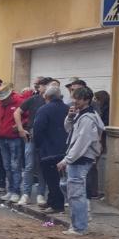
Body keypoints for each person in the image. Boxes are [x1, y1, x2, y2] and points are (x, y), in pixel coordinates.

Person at [57, 87, 104, 236]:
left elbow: (82, 141)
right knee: (71, 190)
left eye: (77, 98)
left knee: (76, 193)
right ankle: (78, 223)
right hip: (78, 158)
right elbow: (69, 131)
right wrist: (69, 117)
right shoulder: (81, 115)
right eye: (74, 98)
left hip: (81, 158)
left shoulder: (88, 118)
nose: (74, 101)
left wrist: (67, 159)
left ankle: (79, 226)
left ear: (86, 100)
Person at [32, 85, 69, 213]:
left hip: (48, 149)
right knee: (59, 178)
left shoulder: (44, 109)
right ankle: (52, 200)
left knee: (51, 179)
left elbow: (38, 129)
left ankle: (57, 204)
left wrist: (39, 145)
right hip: (64, 148)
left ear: (46, 97)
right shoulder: (67, 108)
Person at [14, 78, 49, 206]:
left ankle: (41, 194)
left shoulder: (52, 101)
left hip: (46, 138)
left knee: (42, 166)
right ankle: (26, 194)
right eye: (44, 86)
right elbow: (17, 112)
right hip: (31, 135)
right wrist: (20, 129)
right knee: (29, 165)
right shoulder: (33, 99)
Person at [0, 83, 24, 203]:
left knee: (15, 165)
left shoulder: (19, 102)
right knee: (7, 166)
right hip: (2, 136)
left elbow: (28, 116)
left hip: (14, 138)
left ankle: (16, 191)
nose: (2, 101)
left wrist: (20, 125)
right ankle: (11, 190)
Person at [88, 89, 111, 199]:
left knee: (94, 166)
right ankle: (95, 191)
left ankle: (96, 191)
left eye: (96, 98)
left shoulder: (104, 111)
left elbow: (102, 126)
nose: (94, 101)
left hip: (101, 140)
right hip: (100, 140)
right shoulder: (102, 109)